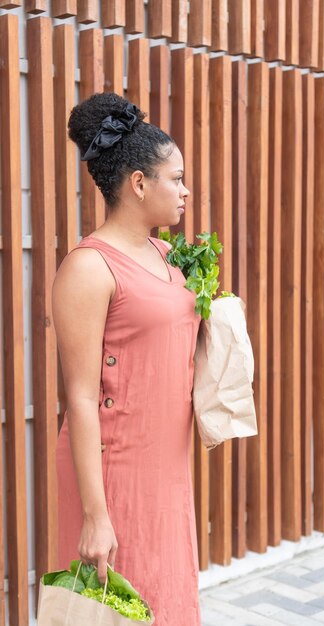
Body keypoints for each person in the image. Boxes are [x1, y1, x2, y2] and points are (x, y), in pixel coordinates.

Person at [52, 92, 201, 625]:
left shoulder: (165, 256)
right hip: (113, 473)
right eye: (176, 178)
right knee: (118, 612)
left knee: (167, 602)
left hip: (165, 468)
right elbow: (81, 397)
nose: (185, 190)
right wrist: (96, 516)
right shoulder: (89, 269)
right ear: (139, 183)